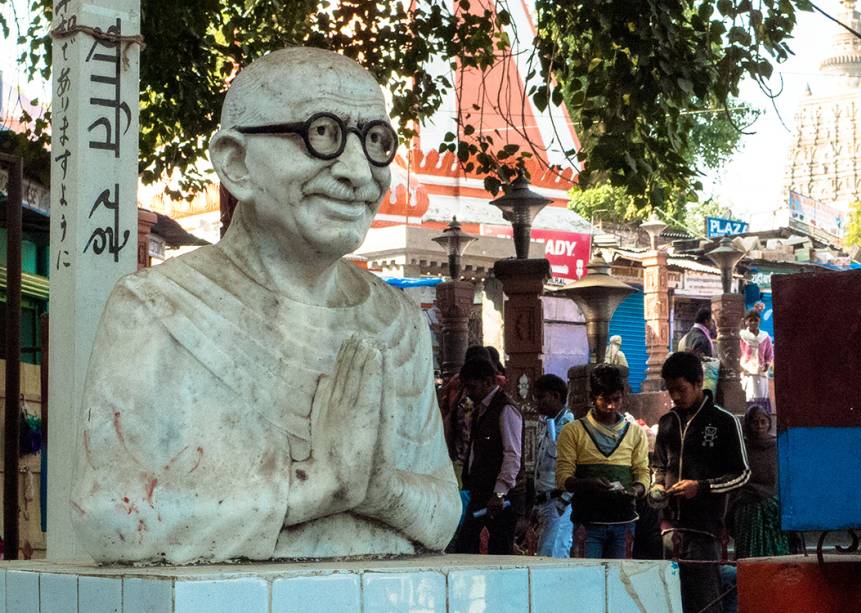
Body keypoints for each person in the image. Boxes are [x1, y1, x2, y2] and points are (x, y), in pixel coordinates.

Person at [71, 48, 460, 564]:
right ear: (236, 163)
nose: (358, 172)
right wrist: (321, 486)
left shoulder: (398, 324)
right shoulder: (156, 308)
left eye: (375, 141)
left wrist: (381, 488)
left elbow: (444, 510)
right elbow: (108, 518)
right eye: (322, 134)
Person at [651, 352, 750, 613]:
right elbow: (659, 466)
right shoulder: (667, 422)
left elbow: (742, 474)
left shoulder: (724, 421)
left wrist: (701, 487)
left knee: (706, 601)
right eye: (671, 390)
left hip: (705, 529)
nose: (675, 397)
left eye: (681, 389)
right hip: (670, 529)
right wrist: (657, 486)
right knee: (672, 600)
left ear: (698, 383)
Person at [556, 365, 650, 559]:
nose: (611, 406)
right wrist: (588, 484)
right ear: (593, 398)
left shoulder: (635, 433)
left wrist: (637, 489)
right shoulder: (573, 431)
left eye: (616, 400)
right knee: (588, 581)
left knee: (620, 580)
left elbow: (643, 472)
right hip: (587, 524)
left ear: (623, 396)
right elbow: (563, 478)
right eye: (604, 400)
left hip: (624, 522)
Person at [455, 359, 524, 555]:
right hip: (481, 494)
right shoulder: (481, 409)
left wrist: (500, 492)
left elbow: (512, 454)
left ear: (487, 382)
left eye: (472, 387)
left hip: (500, 498)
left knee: (499, 551)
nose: (468, 393)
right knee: (465, 546)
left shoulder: (505, 409)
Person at [730, 405, 790, 559]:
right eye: (755, 422)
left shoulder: (777, 446)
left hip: (772, 511)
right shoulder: (740, 448)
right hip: (748, 511)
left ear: (769, 423)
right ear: (747, 424)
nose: (759, 426)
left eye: (763, 422)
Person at [532, 374, 575, 557]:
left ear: (556, 396)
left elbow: (575, 468)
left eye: (541, 397)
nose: (537, 403)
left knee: (553, 555)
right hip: (545, 501)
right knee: (544, 553)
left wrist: (563, 502)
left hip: (559, 503)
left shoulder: (569, 428)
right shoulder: (546, 425)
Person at [739, 310, 774, 409]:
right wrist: (741, 368)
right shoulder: (741, 337)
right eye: (750, 320)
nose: (753, 322)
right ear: (746, 322)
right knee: (749, 396)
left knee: (761, 397)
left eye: (756, 320)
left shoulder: (765, 337)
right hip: (747, 373)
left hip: (761, 373)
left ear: (759, 321)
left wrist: (767, 365)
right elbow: (738, 354)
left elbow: (769, 354)